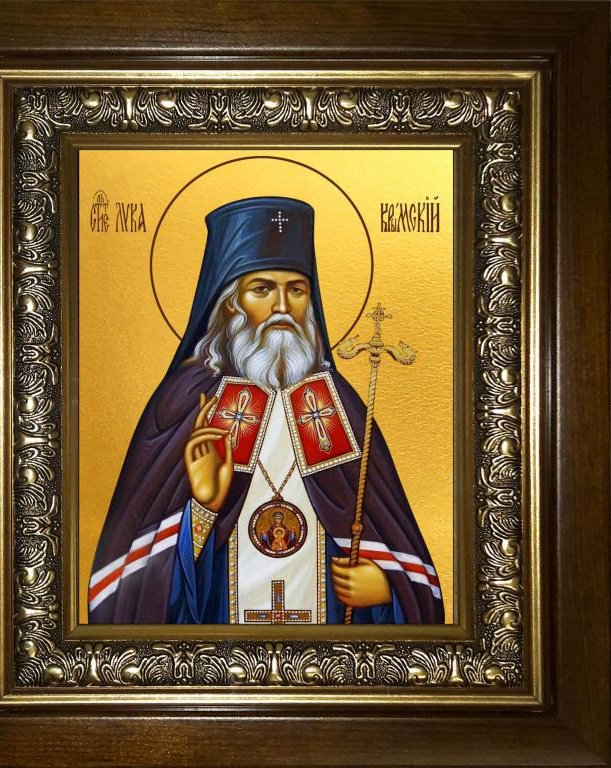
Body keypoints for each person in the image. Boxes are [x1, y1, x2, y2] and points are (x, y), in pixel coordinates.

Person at [88, 197, 444, 624]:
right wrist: (203, 509)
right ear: (229, 303)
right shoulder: (186, 402)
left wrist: (388, 588)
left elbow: (402, 553)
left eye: (296, 290)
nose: (282, 307)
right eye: (262, 289)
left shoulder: (337, 404)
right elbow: (125, 592)